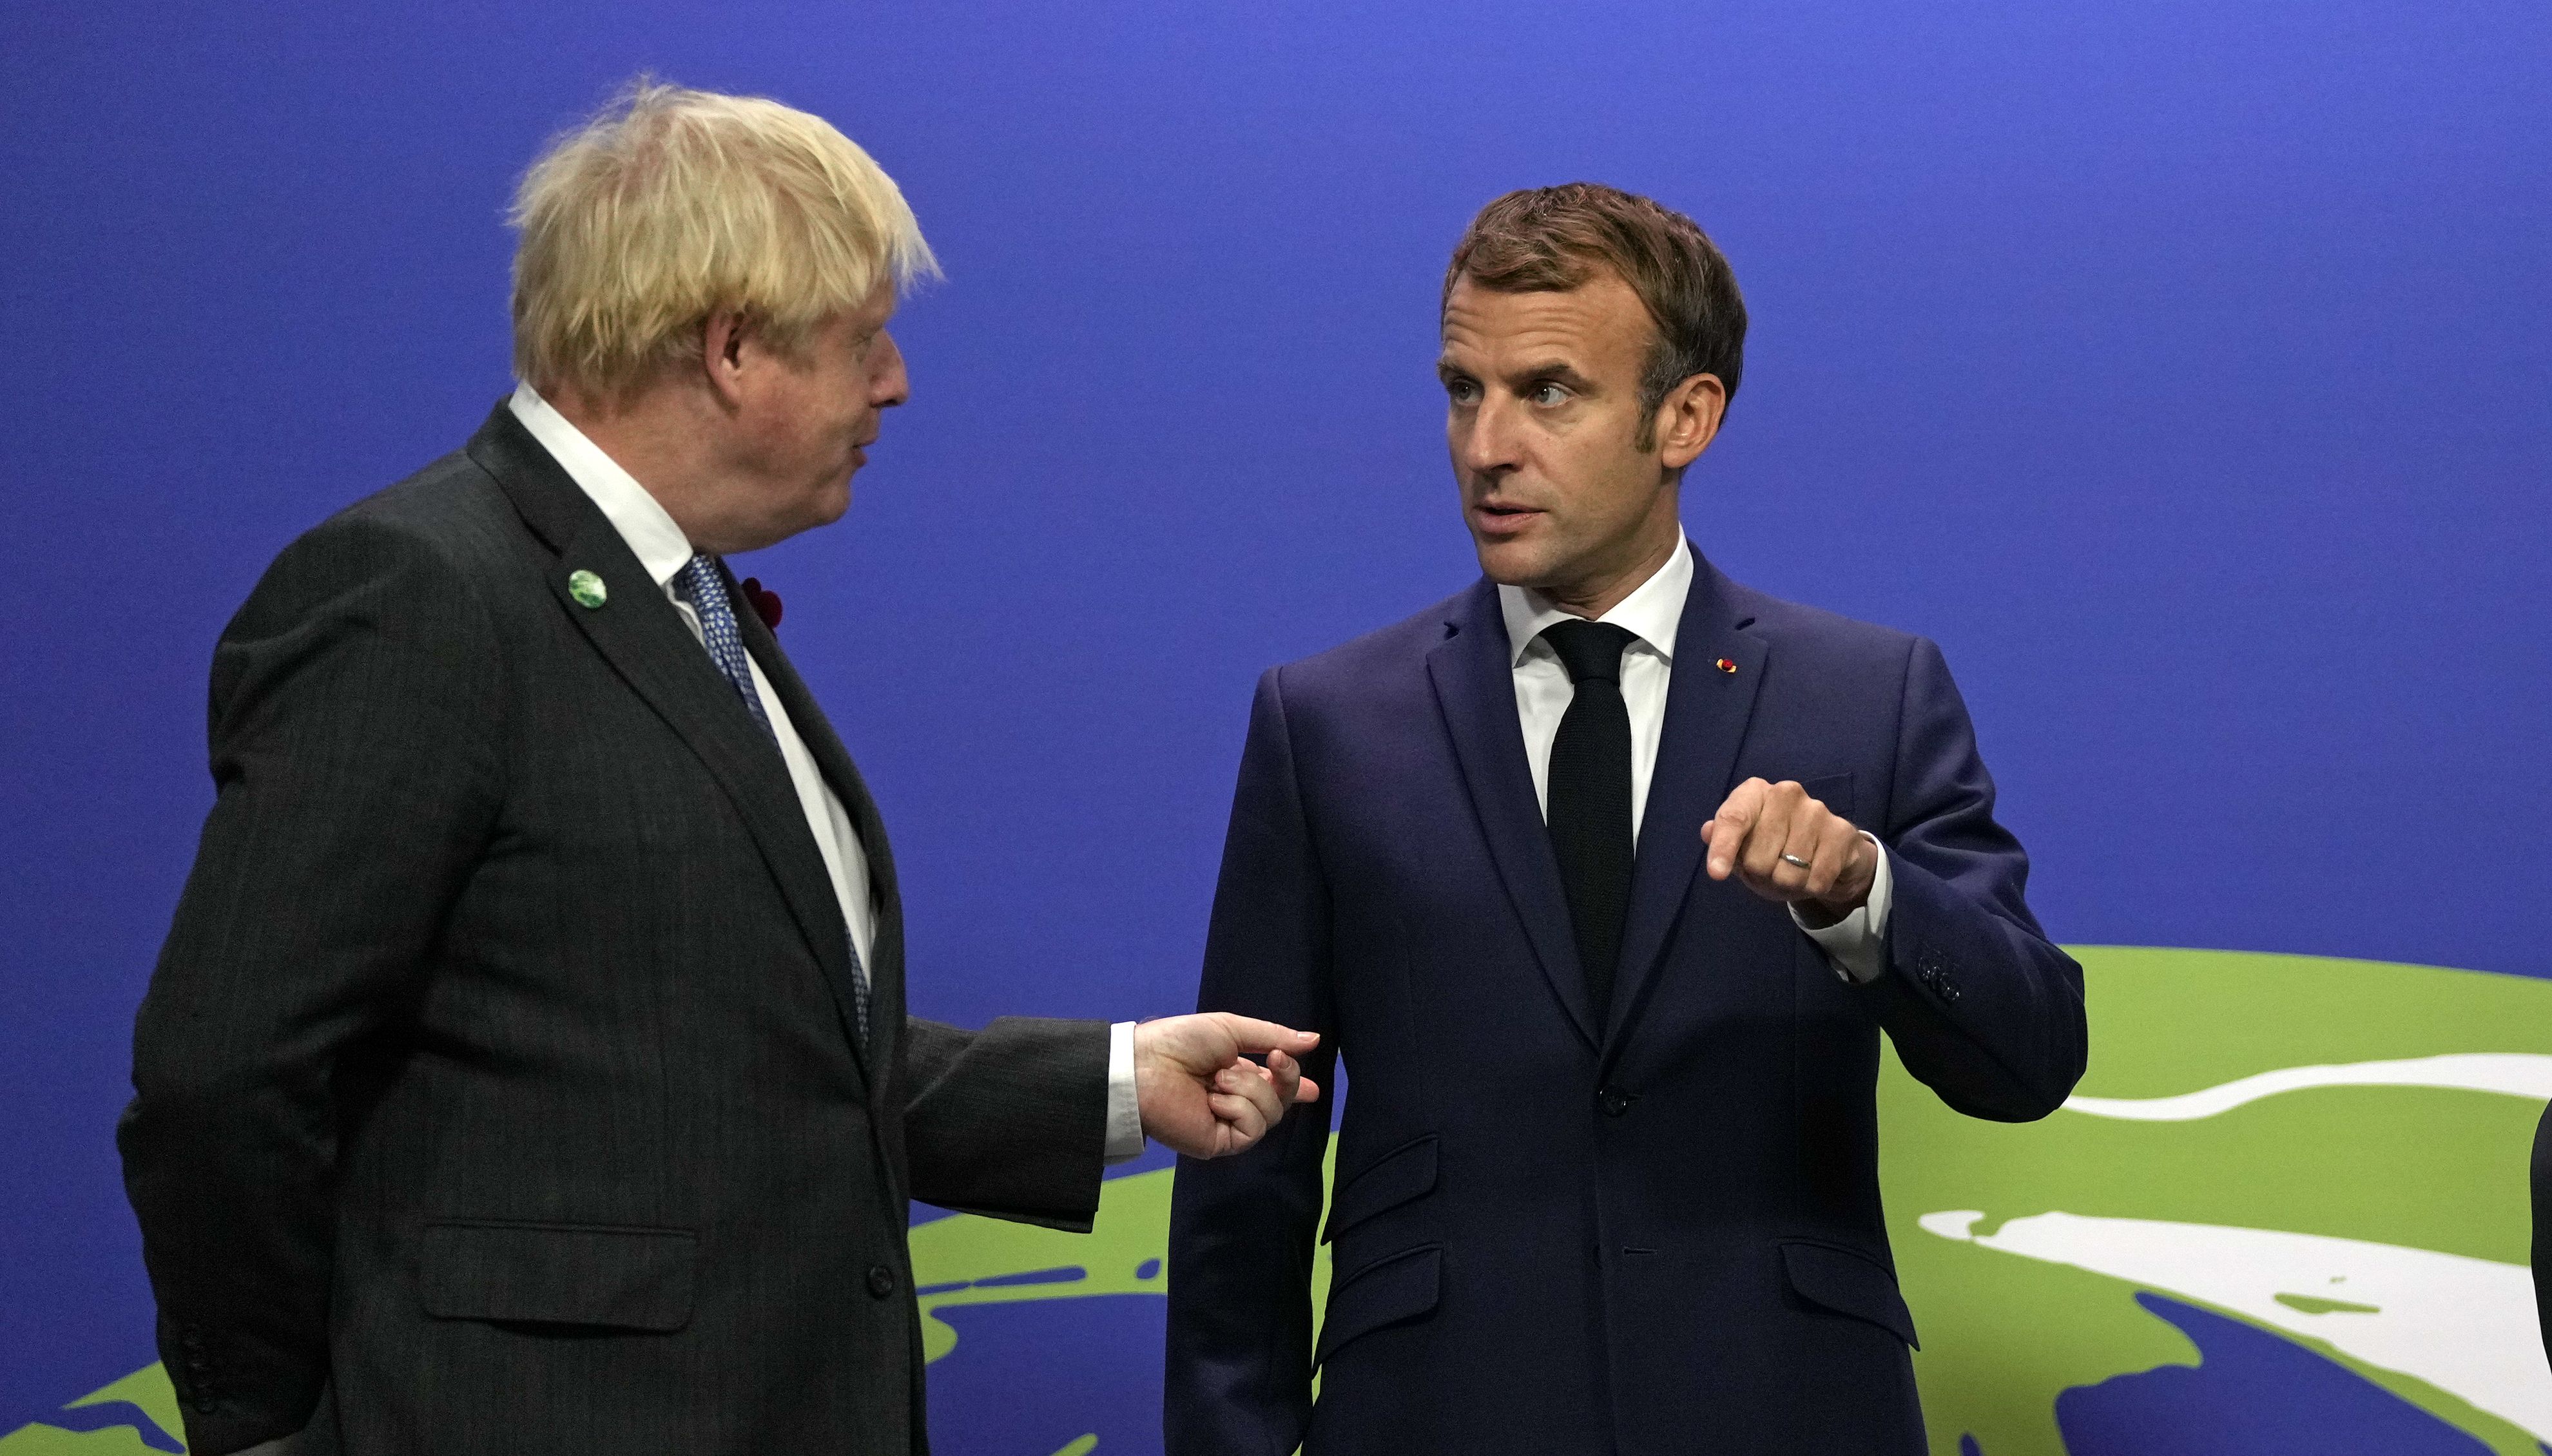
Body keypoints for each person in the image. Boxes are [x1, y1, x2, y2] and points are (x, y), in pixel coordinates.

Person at [117, 81, 1318, 1456]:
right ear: (733, 347)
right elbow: (224, 1073)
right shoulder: (422, 594)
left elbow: (742, 1058)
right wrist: (271, 1432)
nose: (896, 381)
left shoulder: (674, 601)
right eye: (864, 337)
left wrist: (1114, 1080)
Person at [1165, 184, 2087, 1455]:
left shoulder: (1867, 696)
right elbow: (1244, 1169)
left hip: (1785, 1411)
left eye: (1548, 391)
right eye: (1460, 388)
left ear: (1686, 417)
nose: (1487, 443)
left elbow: (2032, 1052)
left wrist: (1862, 894)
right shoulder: (1325, 721)